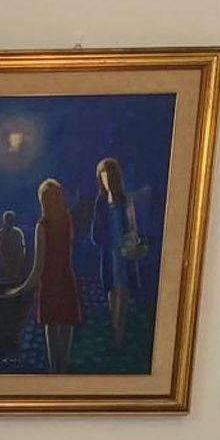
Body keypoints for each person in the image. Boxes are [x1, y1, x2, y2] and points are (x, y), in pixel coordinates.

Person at [11, 177, 81, 372]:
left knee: (51, 328)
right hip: (66, 279)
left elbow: (38, 268)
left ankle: (54, 373)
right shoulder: (67, 220)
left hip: (50, 283)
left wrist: (21, 289)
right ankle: (63, 371)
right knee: (66, 325)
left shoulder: (42, 226)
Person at [91, 156, 143, 350]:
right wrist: (106, 240)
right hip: (110, 254)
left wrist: (133, 243)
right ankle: (115, 333)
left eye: (109, 177)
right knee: (113, 292)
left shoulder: (126, 200)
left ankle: (119, 334)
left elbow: (133, 227)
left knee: (124, 291)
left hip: (125, 254)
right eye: (103, 178)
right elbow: (95, 233)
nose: (107, 182)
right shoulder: (101, 202)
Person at [0, 210, 27, 284]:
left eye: (11, 219)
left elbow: (21, 250)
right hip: (3, 267)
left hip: (16, 265)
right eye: (7, 219)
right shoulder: (0, 234)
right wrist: (4, 266)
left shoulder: (18, 233)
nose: (9, 221)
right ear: (4, 220)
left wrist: (17, 268)